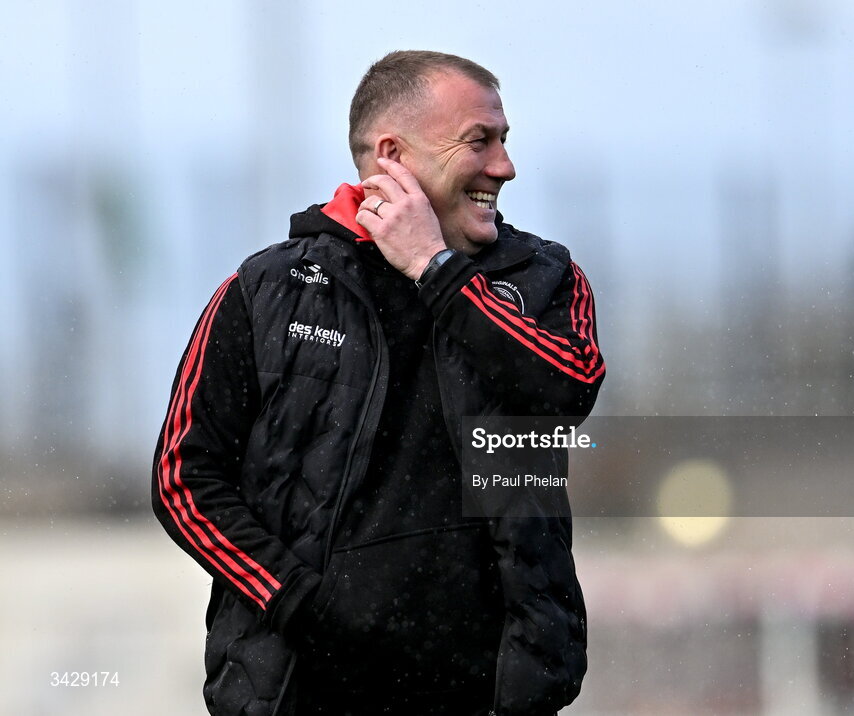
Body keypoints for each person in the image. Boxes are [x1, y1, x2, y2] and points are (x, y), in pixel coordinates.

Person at [152, 50, 605, 716]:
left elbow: (566, 389)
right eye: (480, 140)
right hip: (302, 692)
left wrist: (435, 269)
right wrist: (301, 603)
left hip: (492, 695)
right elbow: (182, 481)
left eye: (504, 140)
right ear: (392, 155)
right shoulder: (265, 291)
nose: (504, 166)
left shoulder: (541, 279)